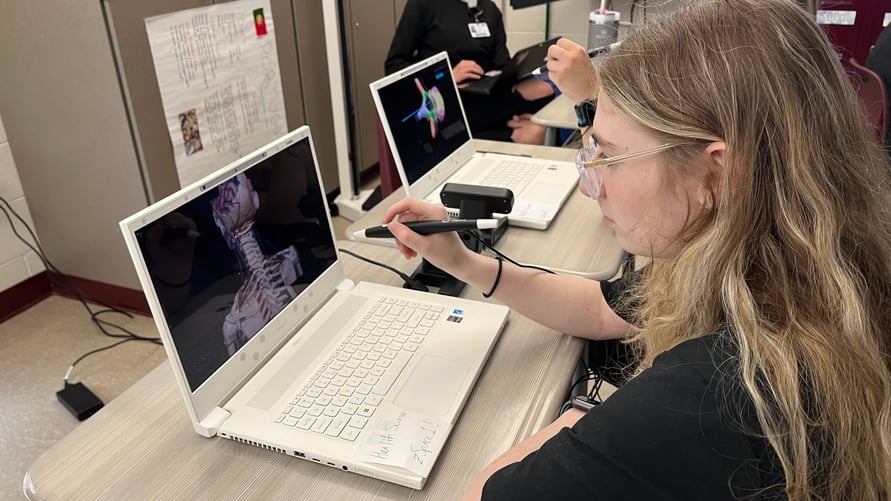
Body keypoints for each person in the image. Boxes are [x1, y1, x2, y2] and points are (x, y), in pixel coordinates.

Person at [380, 0, 891, 499]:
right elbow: (603, 309)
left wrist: (593, 415)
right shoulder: (789, 259)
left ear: (717, 172)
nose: (589, 184)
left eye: (610, 156)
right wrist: (465, 263)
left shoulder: (711, 396)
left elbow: (484, 493)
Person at [385, 0, 554, 144]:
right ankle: (506, 115)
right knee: (532, 116)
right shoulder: (424, 4)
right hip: (447, 99)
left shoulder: (489, 9)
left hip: (484, 95)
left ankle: (508, 115)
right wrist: (448, 75)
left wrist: (516, 68)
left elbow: (501, 63)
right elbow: (393, 66)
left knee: (543, 90)